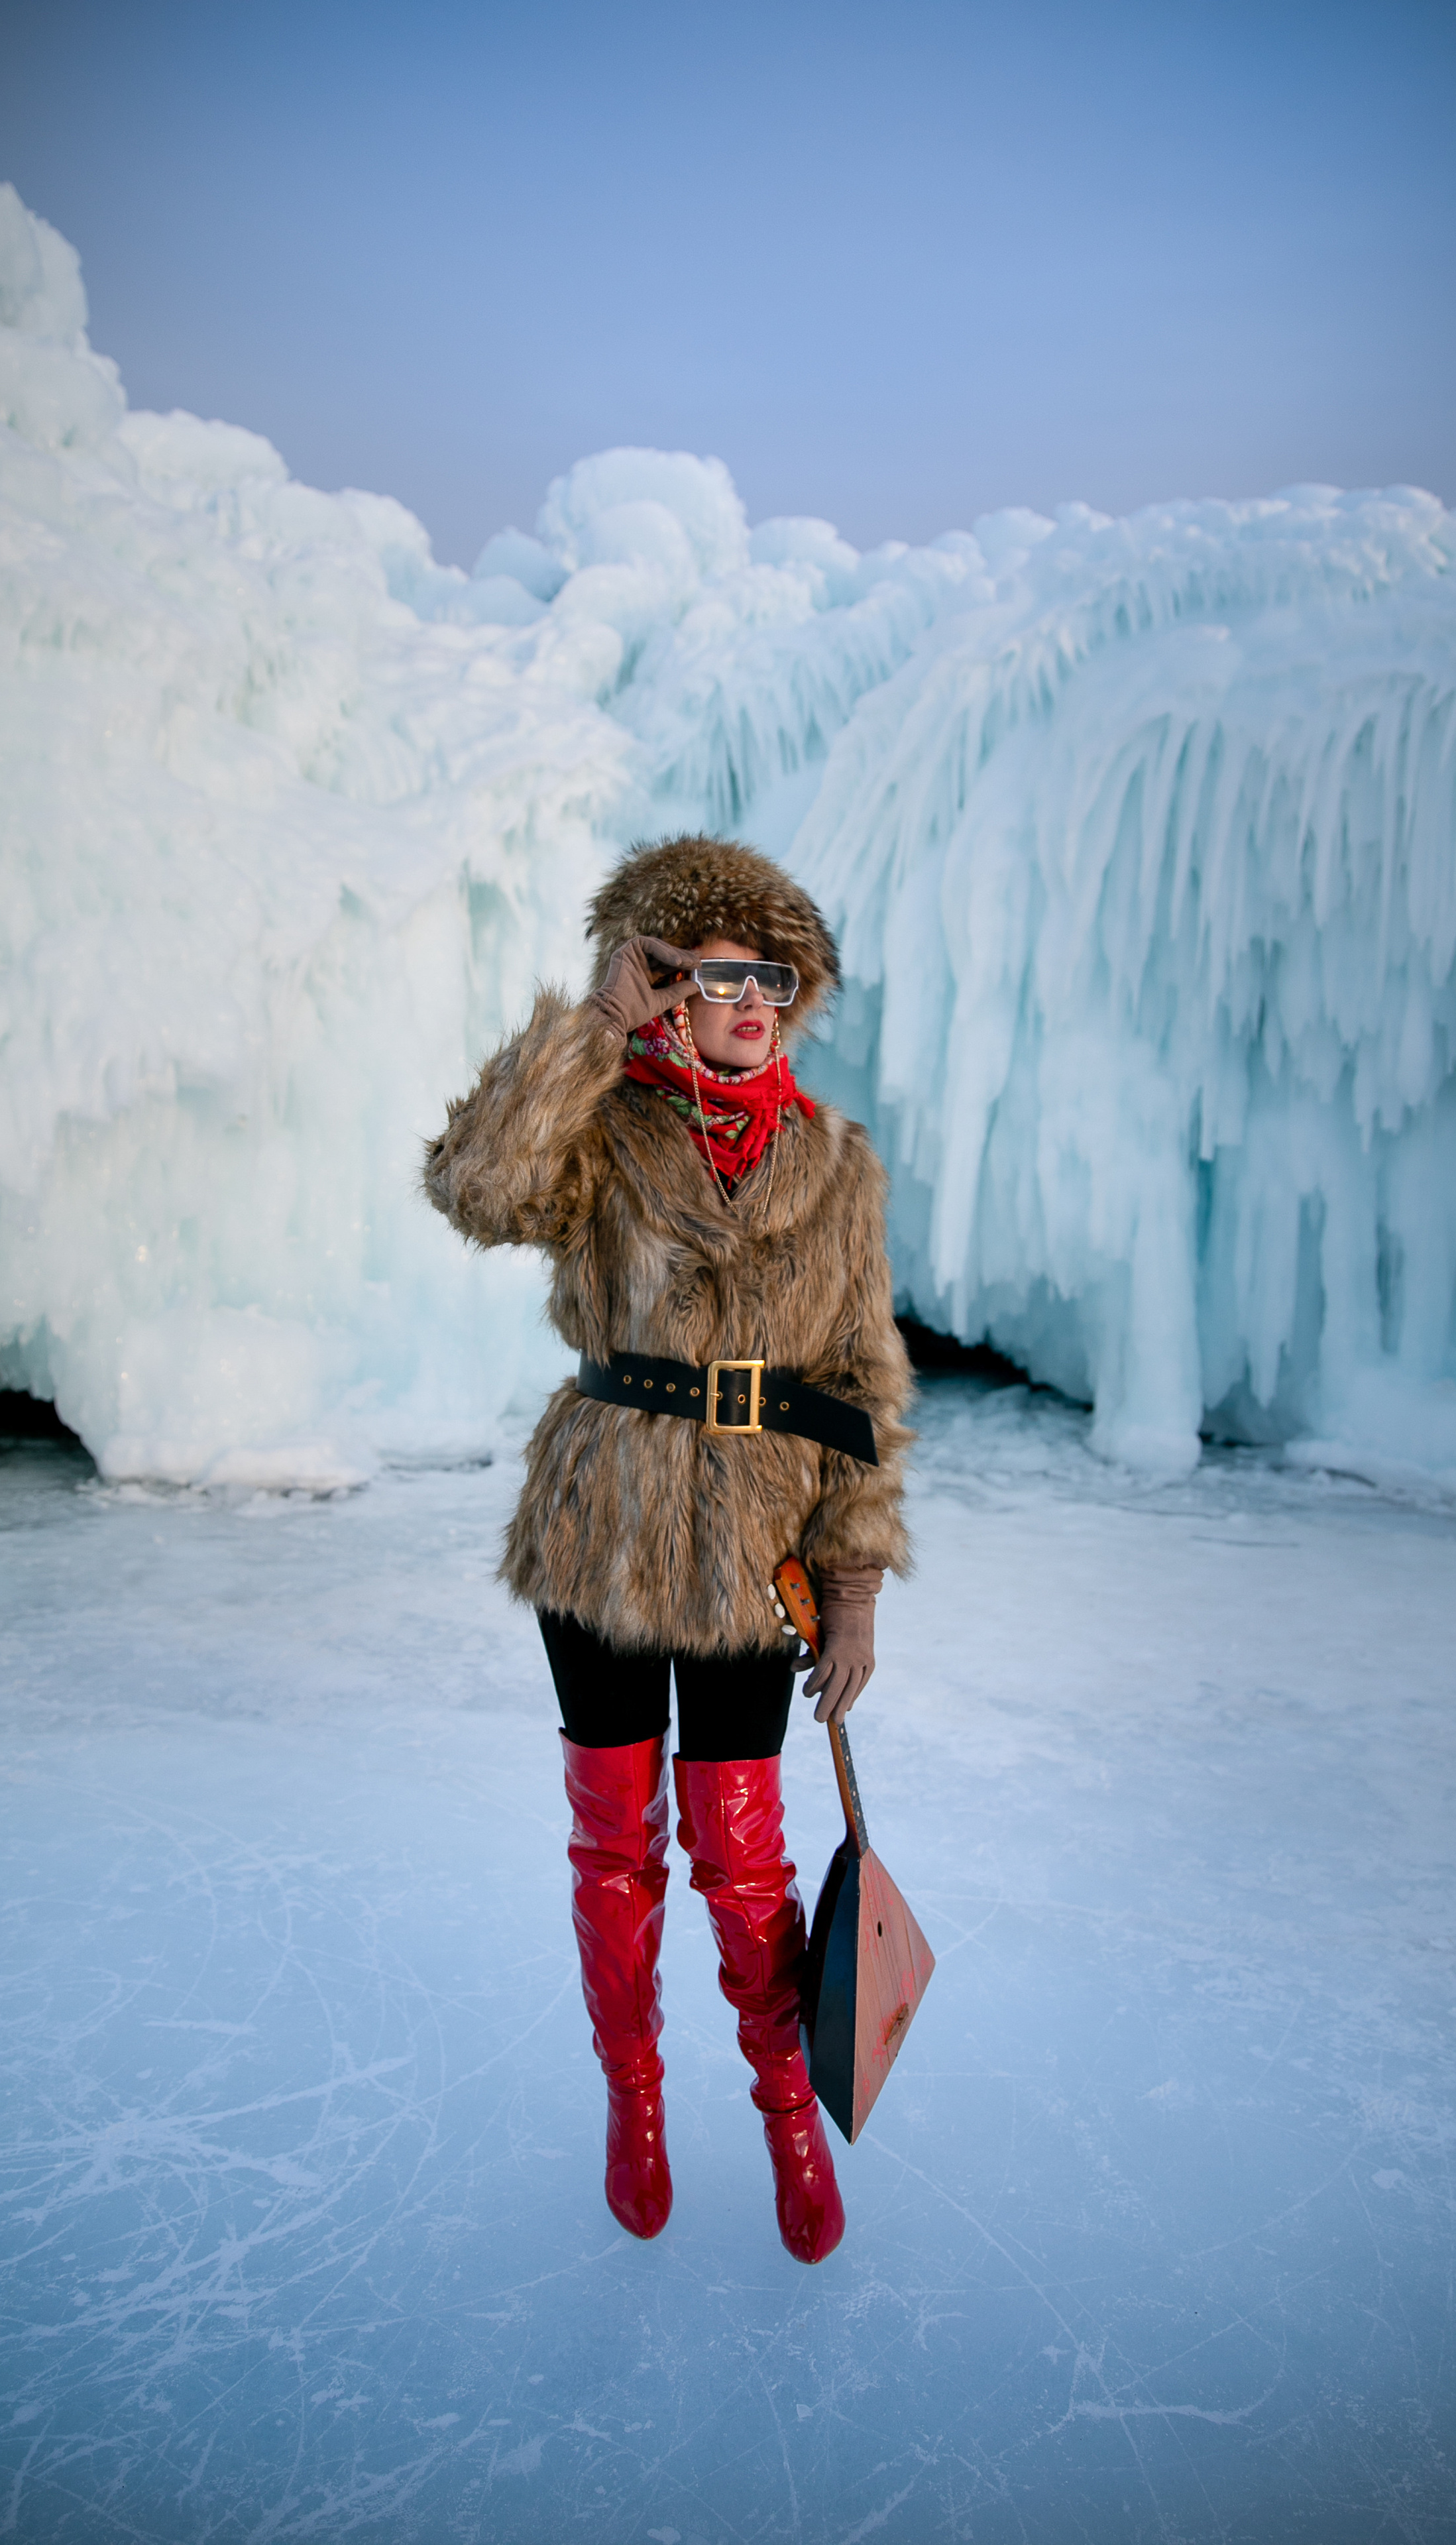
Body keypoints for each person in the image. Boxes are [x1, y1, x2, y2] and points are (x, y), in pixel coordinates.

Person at [421, 834, 911, 2265]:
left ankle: (780, 2117)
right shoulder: (602, 1126)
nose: (748, 1001)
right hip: (606, 1521)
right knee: (610, 1840)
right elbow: (472, 1185)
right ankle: (631, 2101)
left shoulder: (834, 1162)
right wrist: (589, 1027)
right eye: (712, 975)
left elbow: (862, 1378)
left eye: (768, 976)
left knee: (746, 1857)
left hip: (756, 1539)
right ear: (661, 986)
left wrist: (856, 1576)